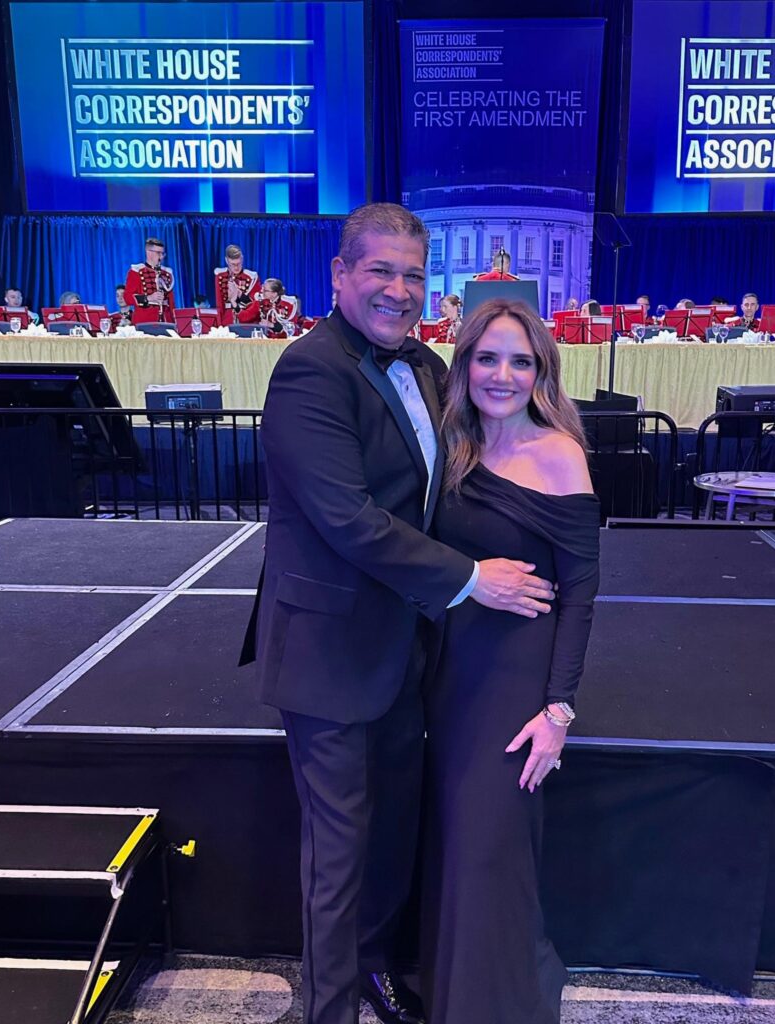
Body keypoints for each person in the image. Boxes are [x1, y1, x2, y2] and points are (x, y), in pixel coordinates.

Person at [242, 202, 555, 1024]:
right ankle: (331, 1012)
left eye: (413, 274)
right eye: (380, 270)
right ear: (339, 275)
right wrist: (471, 579)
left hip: (406, 652)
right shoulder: (310, 370)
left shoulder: (421, 364)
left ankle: (378, 971)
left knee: (389, 842)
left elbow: (465, 459)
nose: (398, 289)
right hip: (330, 655)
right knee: (339, 856)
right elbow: (349, 519)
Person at [421, 298, 600, 1024]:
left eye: (520, 360)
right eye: (488, 357)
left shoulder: (559, 453)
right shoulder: (452, 447)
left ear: (541, 372)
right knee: (456, 839)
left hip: (516, 680)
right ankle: (453, 992)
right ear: (464, 365)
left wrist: (558, 710)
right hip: (450, 673)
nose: (503, 374)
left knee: (485, 843)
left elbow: (582, 595)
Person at [125, 238, 176, 323]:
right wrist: (148, 298)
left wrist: (174, 322)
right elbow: (127, 298)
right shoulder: (136, 271)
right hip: (144, 320)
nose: (161, 257)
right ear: (148, 253)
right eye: (158, 253)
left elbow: (171, 302)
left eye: (163, 253)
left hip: (166, 320)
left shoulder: (166, 273)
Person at [214, 243, 261, 325]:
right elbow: (219, 304)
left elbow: (255, 304)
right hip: (227, 319)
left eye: (238, 264)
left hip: (246, 320)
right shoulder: (220, 276)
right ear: (226, 260)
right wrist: (219, 324)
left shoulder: (251, 277)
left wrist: (239, 294)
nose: (236, 267)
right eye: (233, 264)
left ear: (242, 259)